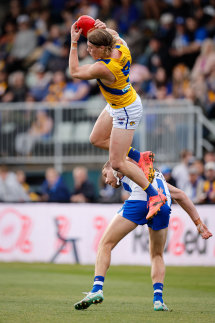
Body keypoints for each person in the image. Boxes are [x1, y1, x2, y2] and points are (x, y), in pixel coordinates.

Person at [74, 153, 212, 312]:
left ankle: (97, 289)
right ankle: (158, 300)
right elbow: (180, 195)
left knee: (105, 244)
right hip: (163, 203)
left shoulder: (120, 164)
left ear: (112, 167)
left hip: (141, 200)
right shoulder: (154, 175)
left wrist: (120, 145)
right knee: (157, 255)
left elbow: (124, 152)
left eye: (105, 174)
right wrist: (198, 223)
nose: (106, 180)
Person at [69, 19, 166, 219]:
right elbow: (114, 35)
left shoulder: (103, 68)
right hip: (119, 101)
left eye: (90, 47)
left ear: (102, 48)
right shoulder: (120, 47)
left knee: (117, 163)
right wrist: (102, 28)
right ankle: (141, 157)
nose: (87, 50)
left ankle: (154, 195)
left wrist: (73, 42)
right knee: (96, 139)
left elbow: (75, 71)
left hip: (126, 109)